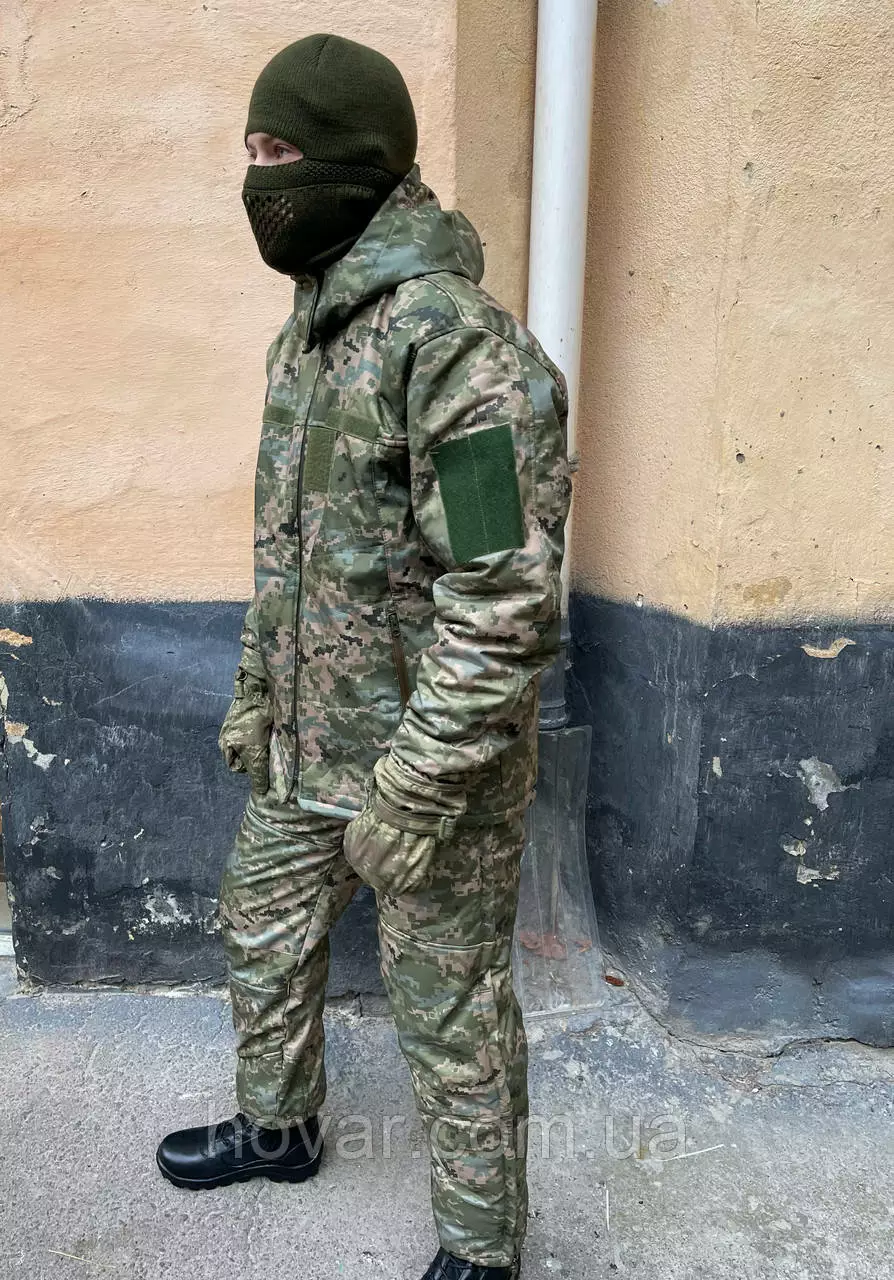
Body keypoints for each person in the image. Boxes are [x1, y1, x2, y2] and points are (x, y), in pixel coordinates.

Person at [155, 33, 570, 1280]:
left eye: (280, 150)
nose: (260, 177)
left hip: (425, 771)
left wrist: (419, 785)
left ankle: (482, 1246)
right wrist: (255, 695)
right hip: (307, 746)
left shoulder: (454, 345)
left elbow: (501, 592)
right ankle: (279, 1127)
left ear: (359, 159)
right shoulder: (308, 336)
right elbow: (288, 551)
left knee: (449, 1006)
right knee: (263, 922)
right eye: (252, 149)